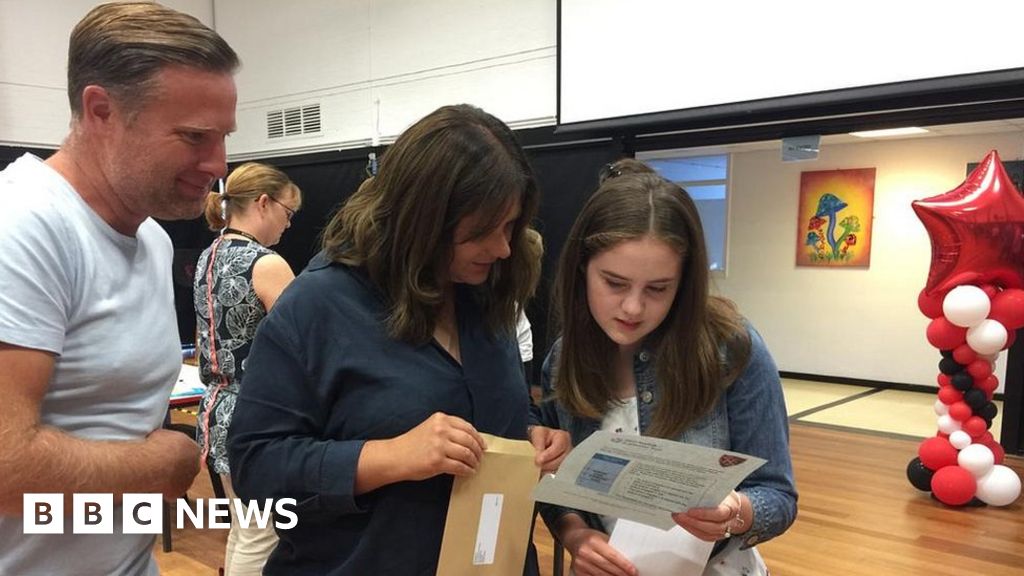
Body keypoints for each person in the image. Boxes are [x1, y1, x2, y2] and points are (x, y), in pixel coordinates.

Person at [228, 104, 569, 575]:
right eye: (480, 233)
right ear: (420, 222)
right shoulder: (319, 305)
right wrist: (388, 456)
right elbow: (256, 469)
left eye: (510, 226)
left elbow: (499, 403)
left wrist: (529, 431)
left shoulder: (486, 290)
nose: (502, 248)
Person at [0, 3, 238, 574]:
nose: (219, 163)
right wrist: (163, 464)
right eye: (194, 137)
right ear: (101, 110)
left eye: (224, 136)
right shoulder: (23, 225)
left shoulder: (151, 239)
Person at [537, 159, 797, 576]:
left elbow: (779, 497)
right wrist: (576, 536)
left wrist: (735, 511)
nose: (633, 307)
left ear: (685, 281)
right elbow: (554, 485)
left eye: (658, 289)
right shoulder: (563, 360)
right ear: (581, 268)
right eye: (615, 283)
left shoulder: (731, 350)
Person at [194, 162, 301, 575]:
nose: (288, 225)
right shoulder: (267, 263)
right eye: (287, 213)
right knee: (262, 533)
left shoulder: (208, 255)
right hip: (258, 413)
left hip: (218, 408)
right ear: (263, 203)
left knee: (246, 526)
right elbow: (302, 345)